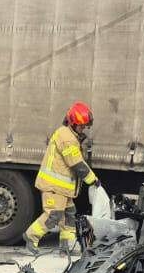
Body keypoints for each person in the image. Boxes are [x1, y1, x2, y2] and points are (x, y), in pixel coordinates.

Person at [25, 101, 100, 252]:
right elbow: (76, 163)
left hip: (62, 189)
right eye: (81, 126)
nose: (83, 129)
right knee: (54, 215)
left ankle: (66, 246)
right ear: (73, 123)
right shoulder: (67, 138)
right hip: (53, 187)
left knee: (69, 215)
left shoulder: (68, 135)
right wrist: (93, 180)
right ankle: (31, 237)